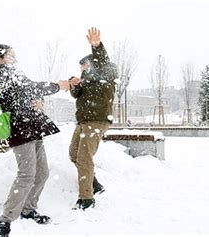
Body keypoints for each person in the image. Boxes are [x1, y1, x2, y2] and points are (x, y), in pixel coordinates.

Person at [0, 44, 70, 236]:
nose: (14, 57)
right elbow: (28, 88)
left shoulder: (12, 72)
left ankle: (28, 209)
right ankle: (4, 221)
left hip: (32, 127)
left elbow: (28, 90)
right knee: (27, 175)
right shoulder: (0, 73)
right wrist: (58, 86)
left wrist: (38, 100)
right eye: (9, 54)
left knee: (42, 173)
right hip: (21, 129)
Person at [68, 27, 118, 210]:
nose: (82, 69)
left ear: (93, 64)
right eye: (81, 67)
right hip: (83, 121)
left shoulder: (106, 73)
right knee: (74, 154)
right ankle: (94, 184)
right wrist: (74, 84)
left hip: (97, 120)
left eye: (85, 66)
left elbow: (103, 62)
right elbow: (76, 95)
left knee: (84, 157)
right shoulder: (86, 81)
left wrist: (96, 46)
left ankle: (86, 199)